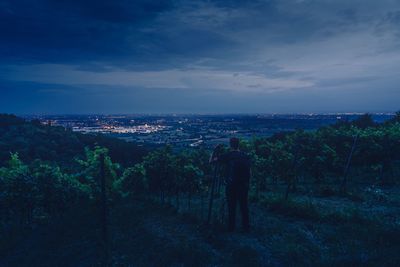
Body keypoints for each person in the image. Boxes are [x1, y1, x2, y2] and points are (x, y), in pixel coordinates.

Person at [210, 137, 251, 232]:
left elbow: (211, 161)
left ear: (230, 145)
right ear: (238, 144)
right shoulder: (245, 155)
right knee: (244, 206)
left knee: (231, 206)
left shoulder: (228, 155)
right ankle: (246, 227)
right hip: (244, 185)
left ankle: (231, 228)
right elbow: (250, 172)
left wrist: (214, 150)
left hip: (231, 184)